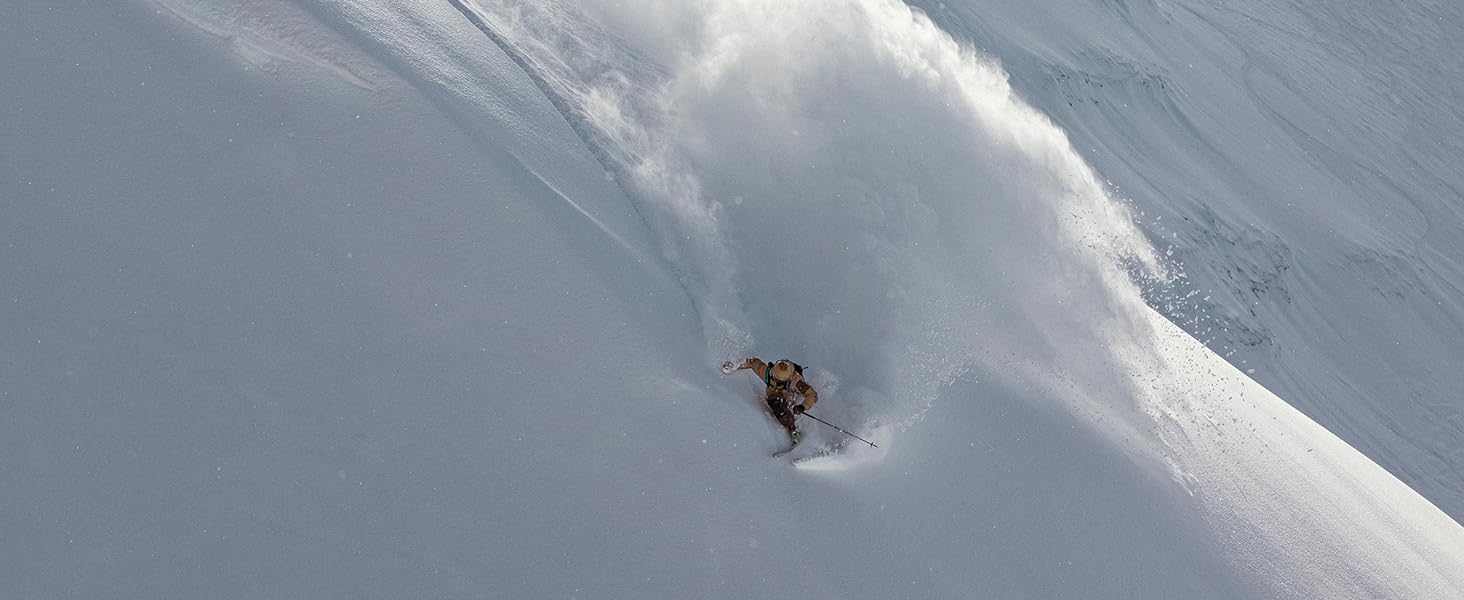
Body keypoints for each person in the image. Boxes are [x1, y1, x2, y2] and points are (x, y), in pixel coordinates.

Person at [721, 358, 819, 444]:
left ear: (787, 379)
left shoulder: (796, 382)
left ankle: (794, 430)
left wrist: (802, 406)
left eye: (779, 381)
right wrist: (735, 365)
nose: (775, 381)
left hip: (790, 396)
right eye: (774, 377)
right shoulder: (768, 373)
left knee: (787, 408)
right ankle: (791, 425)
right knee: (776, 405)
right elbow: (752, 362)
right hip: (774, 396)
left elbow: (812, 395)